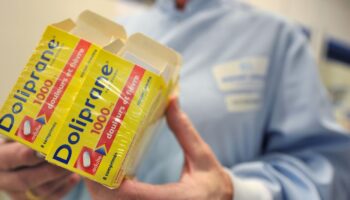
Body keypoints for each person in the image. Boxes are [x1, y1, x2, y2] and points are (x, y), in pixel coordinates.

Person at [1, 0, 350, 199]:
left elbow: (332, 172)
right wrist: (31, 180)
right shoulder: (121, 30)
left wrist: (230, 191)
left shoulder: (276, 36)